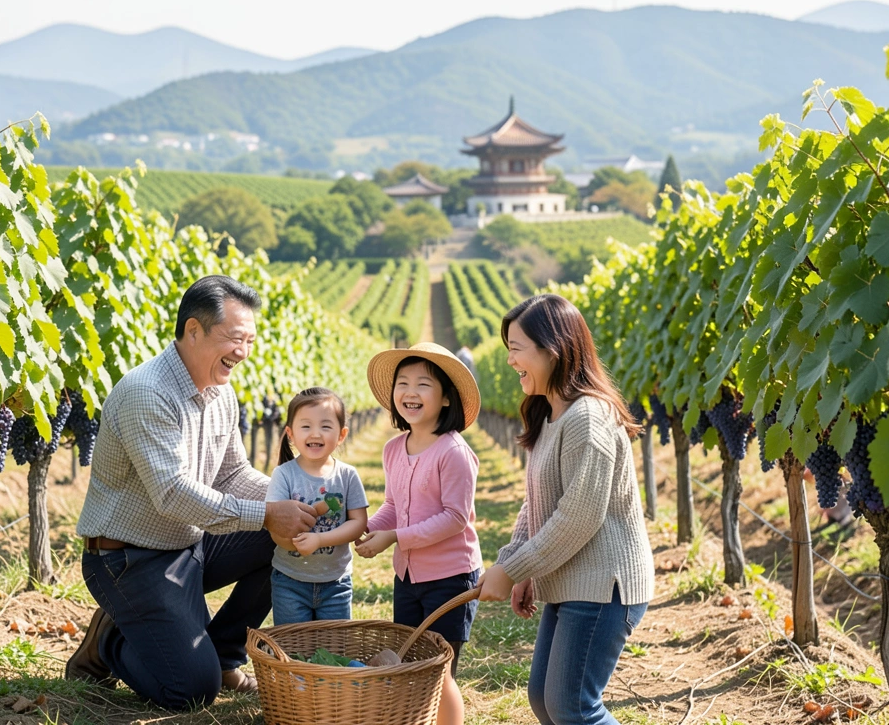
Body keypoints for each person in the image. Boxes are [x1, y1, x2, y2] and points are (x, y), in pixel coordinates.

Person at [66, 276, 319, 709]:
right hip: (129, 560)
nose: (243, 352)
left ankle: (223, 655)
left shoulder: (221, 393)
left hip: (187, 546)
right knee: (191, 691)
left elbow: (233, 474)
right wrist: (266, 514)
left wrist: (293, 498)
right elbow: (173, 494)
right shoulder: (147, 392)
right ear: (194, 330)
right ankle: (110, 641)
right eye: (235, 338)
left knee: (287, 537)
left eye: (250, 341)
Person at [476, 293, 654, 725]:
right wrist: (517, 564)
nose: (510, 360)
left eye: (516, 349)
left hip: (604, 585)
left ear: (552, 351)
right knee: (545, 700)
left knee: (573, 707)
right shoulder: (551, 415)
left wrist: (513, 570)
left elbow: (578, 517)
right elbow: (536, 502)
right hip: (573, 581)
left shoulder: (588, 418)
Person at [355, 342, 483, 725]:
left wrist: (395, 537)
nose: (410, 392)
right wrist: (363, 529)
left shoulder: (453, 452)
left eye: (423, 384)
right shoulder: (394, 449)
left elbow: (454, 518)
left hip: (450, 578)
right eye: (403, 383)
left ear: (446, 398)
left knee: (440, 669)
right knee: (411, 662)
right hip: (408, 577)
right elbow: (393, 506)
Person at [266, 387, 369, 624]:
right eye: (306, 426)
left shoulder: (347, 476)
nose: (315, 433)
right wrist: (292, 542)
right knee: (293, 642)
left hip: (336, 582)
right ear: (290, 434)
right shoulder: (283, 475)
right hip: (289, 581)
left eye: (325, 426)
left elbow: (358, 523)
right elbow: (275, 527)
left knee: (334, 644)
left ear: (341, 434)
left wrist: (319, 540)